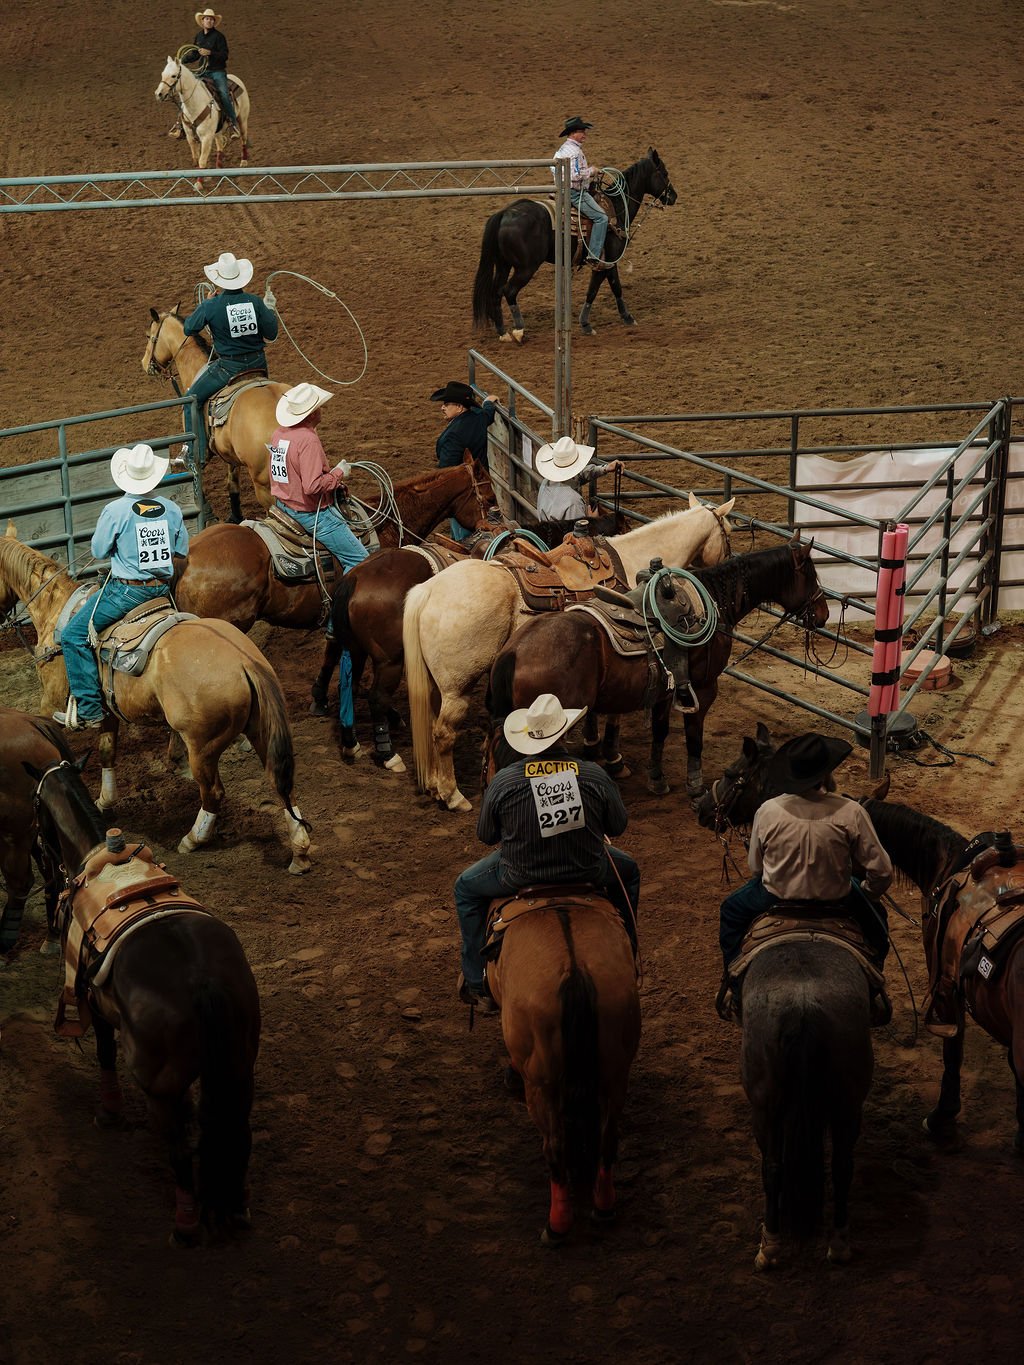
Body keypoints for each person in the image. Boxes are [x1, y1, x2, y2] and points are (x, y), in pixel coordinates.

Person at [453, 693, 641, 1006]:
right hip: (588, 868)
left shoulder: (504, 781)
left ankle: (476, 979)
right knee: (630, 872)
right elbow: (618, 826)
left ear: (528, 737)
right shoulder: (594, 775)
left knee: (465, 888)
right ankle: (630, 952)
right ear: (565, 733)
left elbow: (485, 836)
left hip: (518, 874)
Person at [718, 732, 893, 971]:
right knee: (878, 924)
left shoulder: (768, 810)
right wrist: (867, 891)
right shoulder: (851, 812)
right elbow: (882, 872)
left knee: (731, 910)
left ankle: (732, 978)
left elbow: (756, 868)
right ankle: (874, 976)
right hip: (837, 899)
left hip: (774, 896)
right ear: (826, 773)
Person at [53, 445, 188, 730]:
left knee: (72, 635)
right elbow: (181, 551)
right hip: (162, 591)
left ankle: (89, 709)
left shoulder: (115, 510)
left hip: (126, 592)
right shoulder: (172, 509)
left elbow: (99, 550)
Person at [268, 382, 369, 743]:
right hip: (312, 515)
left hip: (282, 507)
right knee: (366, 563)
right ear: (312, 412)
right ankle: (347, 617)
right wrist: (340, 473)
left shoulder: (280, 433)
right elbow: (313, 486)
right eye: (319, 407)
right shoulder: (308, 439)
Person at [181, 251, 278, 464]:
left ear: (220, 280)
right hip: (258, 365)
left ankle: (193, 453)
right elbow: (272, 334)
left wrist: (206, 306)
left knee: (191, 400)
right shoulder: (255, 302)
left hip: (229, 367)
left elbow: (189, 328)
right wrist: (269, 309)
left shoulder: (211, 305)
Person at [430, 380, 499, 541]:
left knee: (463, 537)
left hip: (463, 495)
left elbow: (446, 471)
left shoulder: (453, 435)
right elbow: (488, 413)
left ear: (460, 407)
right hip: (482, 487)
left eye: (447, 404)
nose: (442, 407)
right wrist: (489, 401)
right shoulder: (479, 418)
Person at [552, 116, 609, 268]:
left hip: (560, 190)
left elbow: (552, 167)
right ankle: (594, 256)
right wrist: (592, 171)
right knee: (602, 217)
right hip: (574, 193)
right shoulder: (575, 152)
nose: (584, 135)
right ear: (572, 133)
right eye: (581, 131)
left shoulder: (562, 149)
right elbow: (575, 175)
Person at [533, 435, 623, 523]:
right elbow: (579, 535)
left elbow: (579, 475)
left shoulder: (545, 483)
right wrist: (592, 521)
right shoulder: (574, 502)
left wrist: (605, 468)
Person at [191, 9, 239, 132]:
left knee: (223, 93)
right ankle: (182, 124)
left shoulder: (219, 37)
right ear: (202, 21)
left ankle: (232, 123)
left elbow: (225, 55)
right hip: (202, 71)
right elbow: (195, 54)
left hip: (217, 71)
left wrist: (210, 53)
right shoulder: (198, 36)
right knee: (187, 90)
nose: (209, 21)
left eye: (212, 19)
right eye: (207, 18)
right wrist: (182, 59)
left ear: (214, 22)